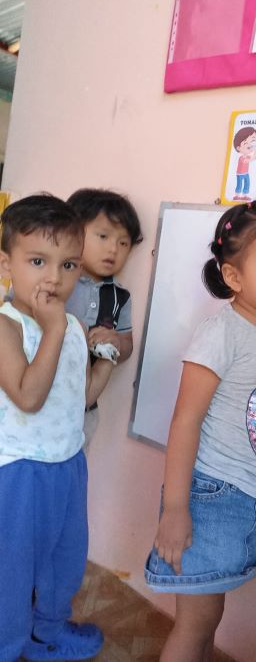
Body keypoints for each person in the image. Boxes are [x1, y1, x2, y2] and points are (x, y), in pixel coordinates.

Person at [144, 199, 256, 662]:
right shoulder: (222, 332)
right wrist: (176, 510)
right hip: (213, 498)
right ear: (233, 276)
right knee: (196, 623)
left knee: (209, 617)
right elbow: (185, 420)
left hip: (253, 498)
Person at [0, 194, 114, 661]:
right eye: (37, 262)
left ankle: (46, 633)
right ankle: (7, 646)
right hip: (19, 471)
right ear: (6, 264)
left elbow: (78, 396)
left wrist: (106, 360)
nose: (53, 278)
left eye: (68, 265)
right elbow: (28, 397)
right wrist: (51, 331)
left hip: (68, 462)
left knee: (63, 560)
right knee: (12, 570)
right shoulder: (7, 327)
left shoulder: (70, 325)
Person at [66, 188, 143, 448]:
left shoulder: (120, 296)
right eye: (103, 236)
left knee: (73, 466)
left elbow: (127, 346)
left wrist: (117, 343)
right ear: (72, 232)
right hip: (36, 399)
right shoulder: (58, 280)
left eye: (123, 243)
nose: (113, 249)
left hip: (84, 410)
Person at [232, 126, 256, 201]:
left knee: (247, 184)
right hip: (240, 174)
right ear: (238, 148)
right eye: (246, 143)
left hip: (246, 173)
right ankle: (237, 195)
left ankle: (244, 195)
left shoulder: (247, 156)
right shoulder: (241, 158)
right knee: (239, 185)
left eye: (252, 142)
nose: (250, 145)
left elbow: (252, 158)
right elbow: (249, 160)